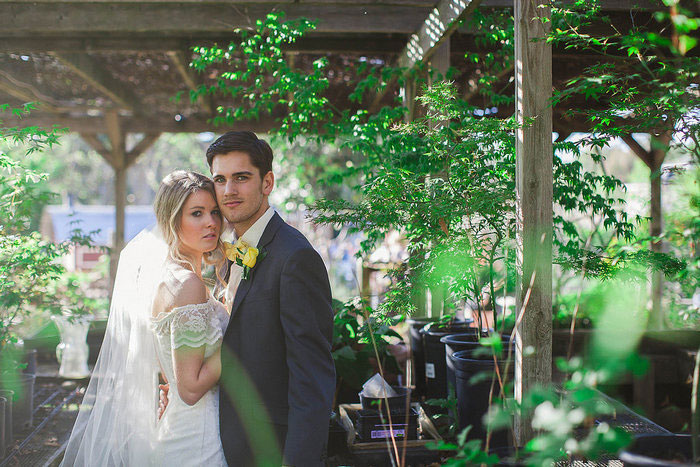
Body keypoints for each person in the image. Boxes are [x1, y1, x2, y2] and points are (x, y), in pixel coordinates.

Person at [62, 171, 229, 466]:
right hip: (199, 442)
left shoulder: (171, 278)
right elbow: (190, 388)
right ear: (172, 220)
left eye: (215, 212)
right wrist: (240, 339)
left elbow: (174, 370)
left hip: (184, 427)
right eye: (197, 213)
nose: (211, 222)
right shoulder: (185, 284)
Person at [207, 131, 335, 466]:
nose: (229, 190)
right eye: (220, 179)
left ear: (268, 182)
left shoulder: (295, 258)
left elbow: (312, 377)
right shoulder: (230, 251)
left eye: (241, 178)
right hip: (224, 438)